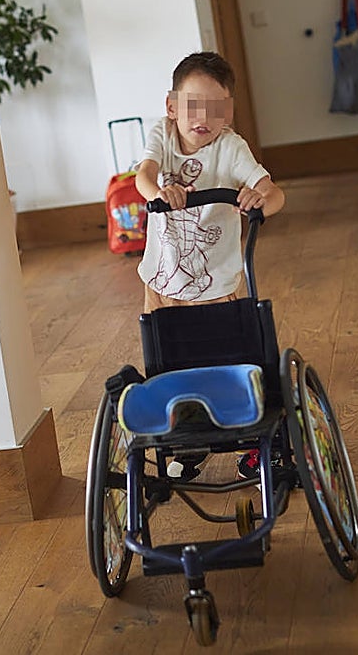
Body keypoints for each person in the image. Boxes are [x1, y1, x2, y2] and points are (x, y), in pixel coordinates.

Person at [134, 50, 285, 479]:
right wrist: (158, 192)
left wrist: (261, 199)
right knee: (171, 363)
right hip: (162, 281)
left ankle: (256, 437)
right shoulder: (161, 136)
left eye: (215, 109)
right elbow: (143, 176)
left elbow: (273, 191)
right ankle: (190, 439)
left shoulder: (230, 148)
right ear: (171, 107)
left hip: (216, 281)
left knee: (228, 358)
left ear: (228, 113)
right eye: (192, 105)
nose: (203, 117)